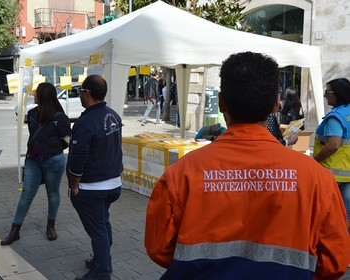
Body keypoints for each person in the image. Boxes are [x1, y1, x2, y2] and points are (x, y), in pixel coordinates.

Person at [145, 52, 350, 280]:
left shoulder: (181, 173)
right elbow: (334, 262)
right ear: (275, 106)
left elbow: (158, 249)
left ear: (222, 103)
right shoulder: (317, 178)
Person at [67, 75, 123, 280]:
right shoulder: (113, 115)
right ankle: (101, 261)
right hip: (112, 184)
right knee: (102, 224)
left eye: (81, 91)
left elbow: (78, 158)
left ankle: (102, 272)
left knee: (98, 230)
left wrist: (74, 185)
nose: (80, 95)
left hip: (92, 188)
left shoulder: (86, 122)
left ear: (87, 93)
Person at [1, 82, 71, 246]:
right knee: (26, 194)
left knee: (52, 193)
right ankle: (15, 230)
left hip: (53, 160)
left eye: (36, 93)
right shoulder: (32, 114)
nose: (34, 95)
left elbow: (68, 139)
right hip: (33, 160)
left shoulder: (60, 117)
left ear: (42, 95)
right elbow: (34, 134)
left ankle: (51, 225)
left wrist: (54, 150)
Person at [314, 78, 350, 230]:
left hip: (333, 175)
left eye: (327, 92)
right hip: (347, 172)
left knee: (334, 218)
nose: (324, 96)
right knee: (347, 214)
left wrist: (313, 161)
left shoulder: (335, 117)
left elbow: (334, 144)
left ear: (338, 94)